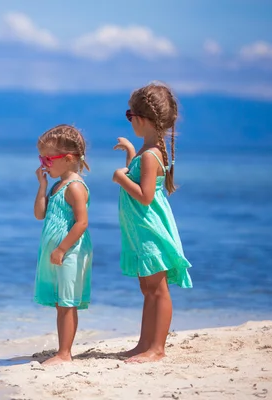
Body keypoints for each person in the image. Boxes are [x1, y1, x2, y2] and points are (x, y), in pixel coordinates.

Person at [112, 82, 193, 363]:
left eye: (129, 115)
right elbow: (141, 173)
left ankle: (157, 348)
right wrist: (129, 152)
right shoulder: (148, 150)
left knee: (158, 290)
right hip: (140, 231)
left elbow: (145, 196)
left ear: (142, 119)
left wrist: (120, 178)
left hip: (150, 229)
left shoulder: (150, 155)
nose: (129, 119)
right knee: (148, 289)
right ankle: (144, 343)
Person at [33, 124, 93, 366]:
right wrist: (42, 186)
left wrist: (61, 249)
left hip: (71, 250)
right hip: (60, 252)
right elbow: (40, 214)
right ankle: (63, 350)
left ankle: (64, 353)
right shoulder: (57, 185)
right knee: (61, 302)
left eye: (48, 158)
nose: (44, 163)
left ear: (68, 159)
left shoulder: (75, 187)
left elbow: (82, 223)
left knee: (67, 302)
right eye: (41, 158)